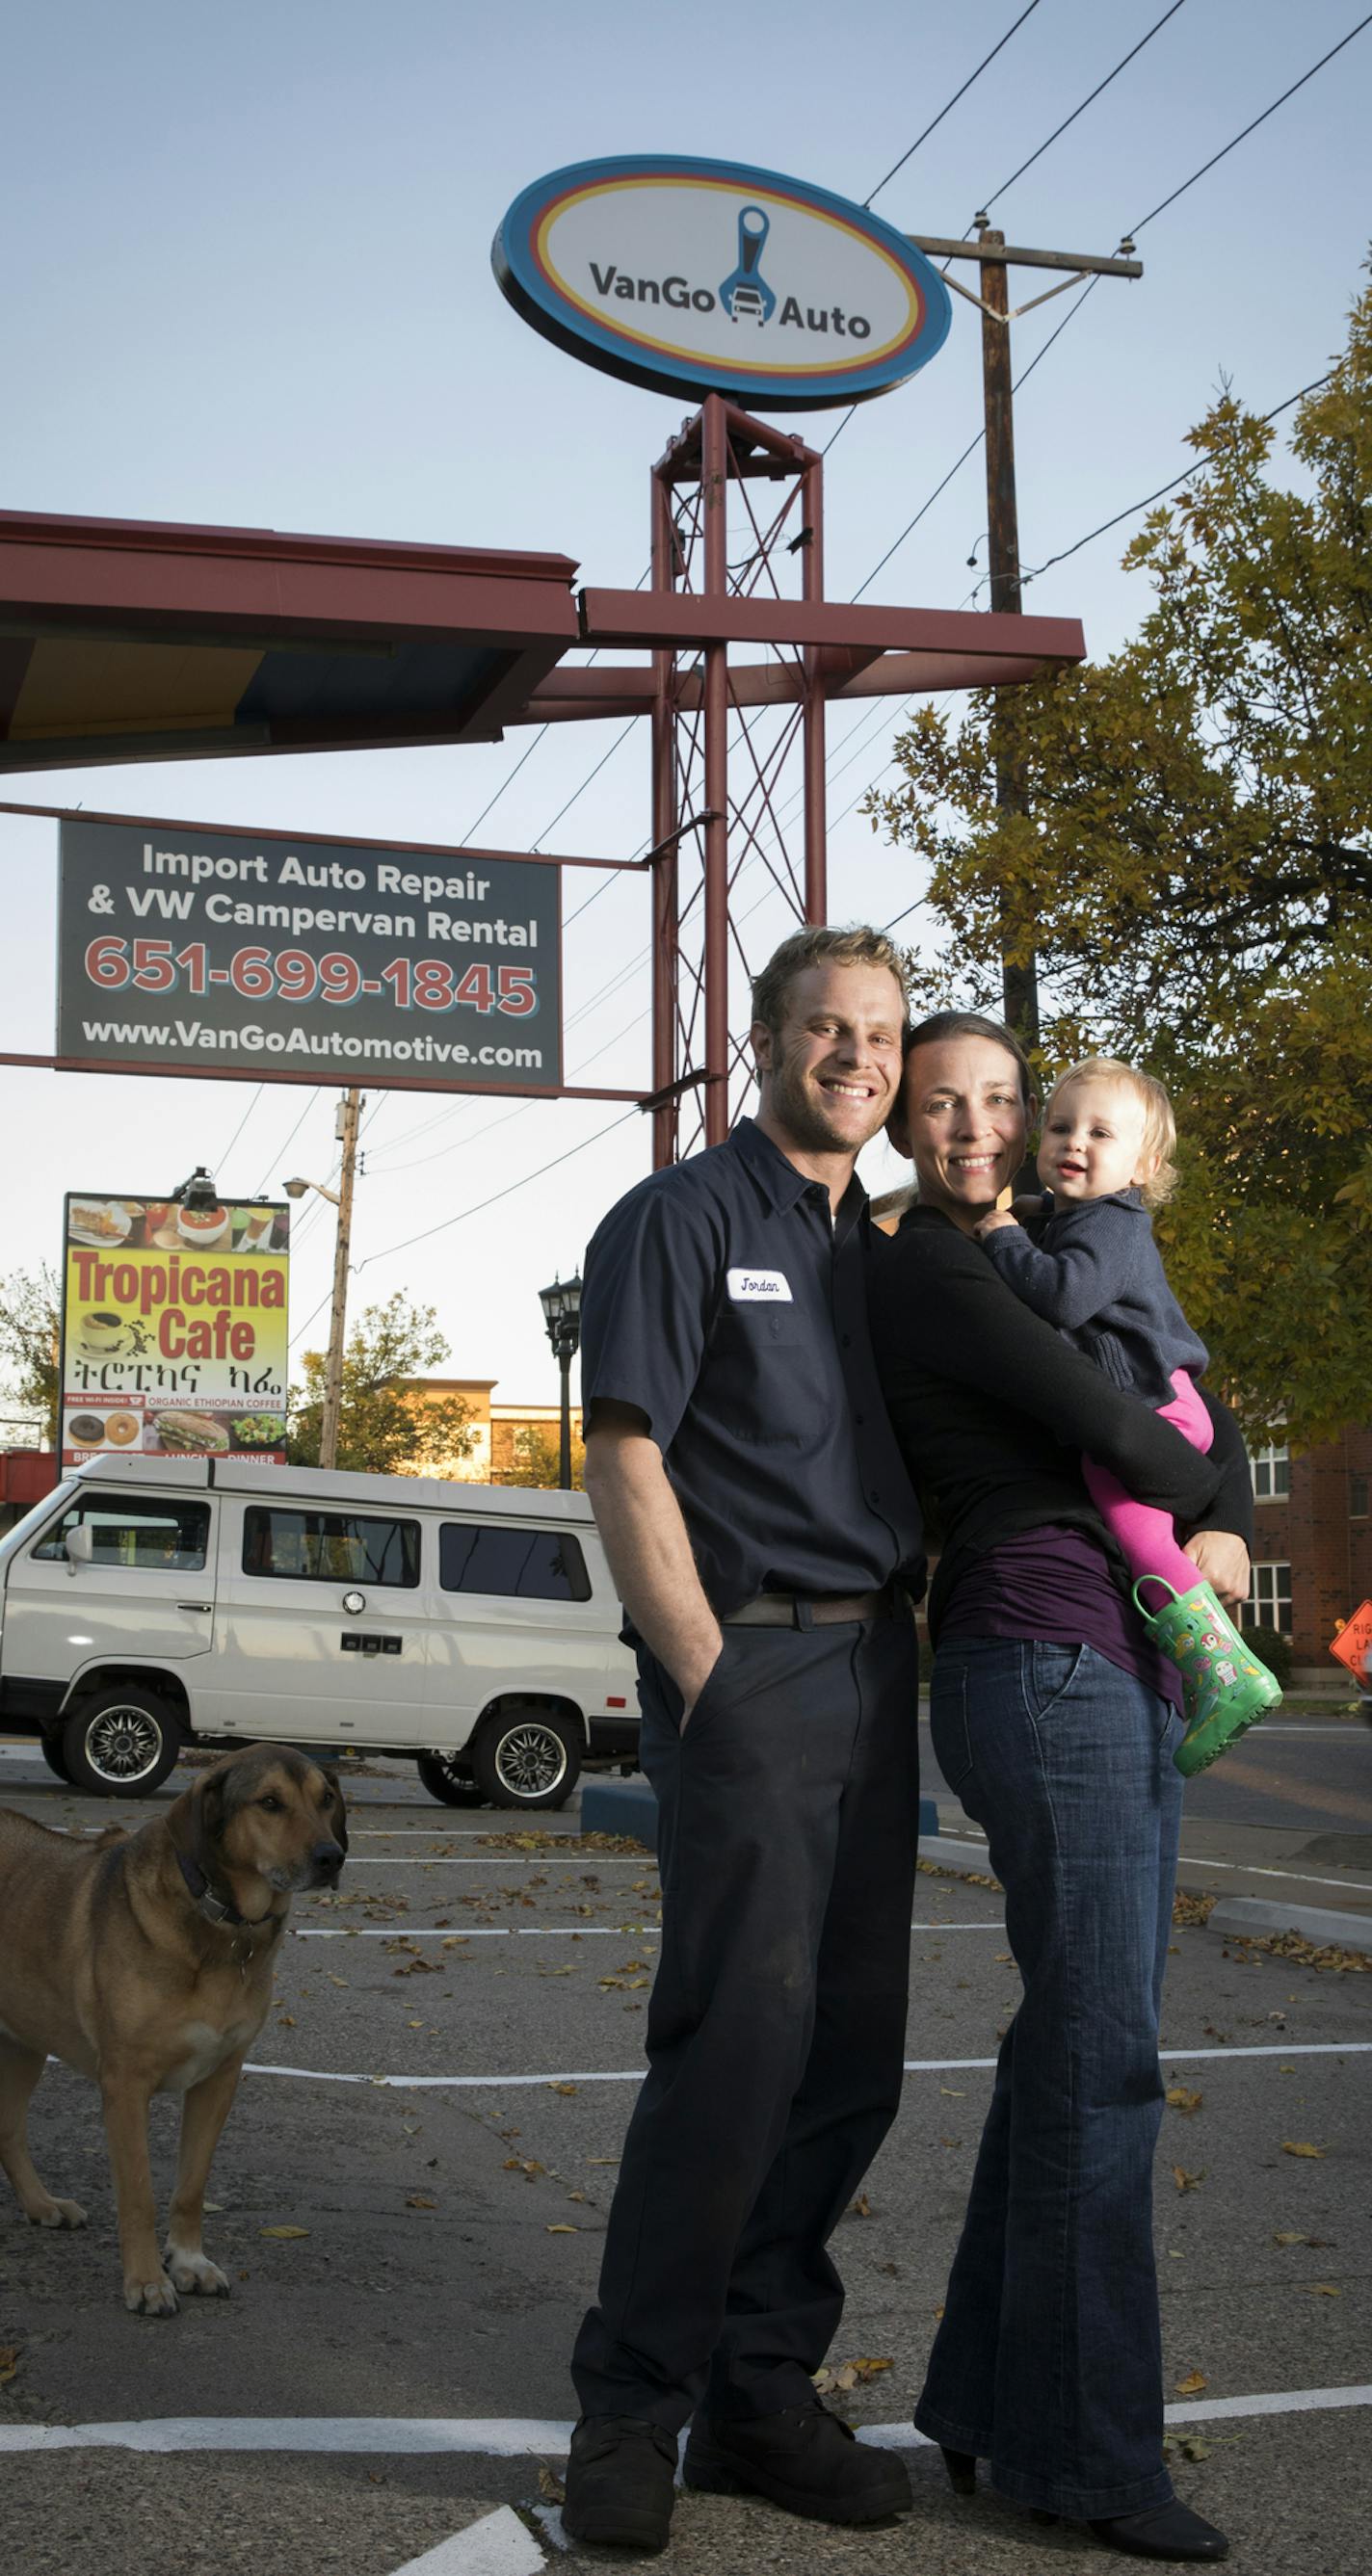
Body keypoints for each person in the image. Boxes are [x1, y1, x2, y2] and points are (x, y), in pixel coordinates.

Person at [867, 1011, 1253, 2564]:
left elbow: (1207, 1433)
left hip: (1125, 1665)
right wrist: (1207, 1503)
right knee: (1102, 2060)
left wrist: (1215, 1502)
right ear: (908, 1124)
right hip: (1042, 1657)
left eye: (1001, 1099)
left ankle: (980, 2396)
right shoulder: (933, 1264)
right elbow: (1141, 1439)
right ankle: (1086, 2459)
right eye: (945, 1103)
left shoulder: (1065, 1253)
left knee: (1066, 2047)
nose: (978, 1125)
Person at [562, 925, 925, 2556]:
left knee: (847, 2053)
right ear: (762, 1038)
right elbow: (623, 1460)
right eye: (822, 1025)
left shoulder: (893, 1248)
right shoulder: (679, 1217)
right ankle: (629, 2403)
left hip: (879, 1675)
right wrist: (703, 1676)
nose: (852, 1053)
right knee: (734, 2047)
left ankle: (758, 2395)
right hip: (753, 1668)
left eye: (876, 1031)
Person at [972, 1055, 1280, 1769]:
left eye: (1100, 1133)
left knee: (1138, 1536)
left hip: (1154, 1405)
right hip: (1154, 1398)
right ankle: (1206, 1671)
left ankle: (1224, 1673)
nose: (1073, 1142)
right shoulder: (1086, 1215)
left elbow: (1062, 1297)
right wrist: (1032, 1214)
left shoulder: (1112, 1223)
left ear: (1143, 1164)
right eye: (1059, 1126)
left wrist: (1000, 1235)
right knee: (1146, 1536)